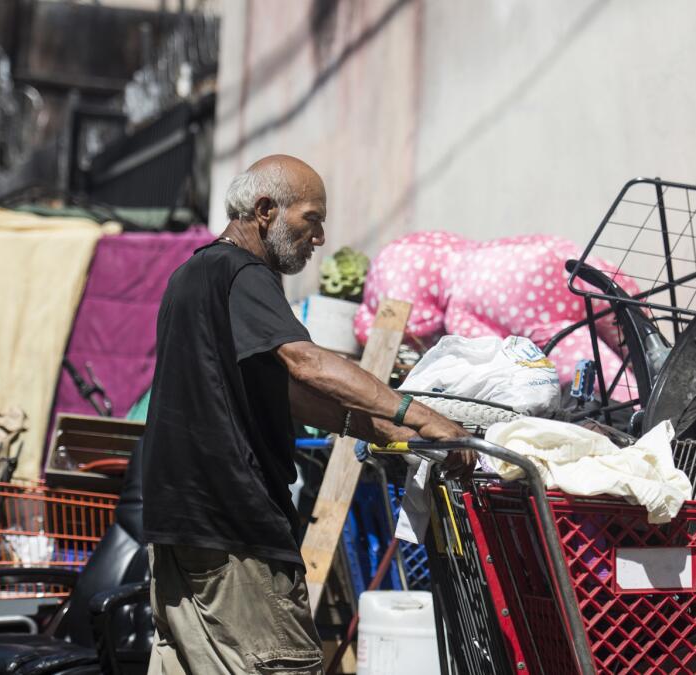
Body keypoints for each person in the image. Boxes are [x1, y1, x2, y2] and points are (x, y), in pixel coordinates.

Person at [142, 154, 470, 674]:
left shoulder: (193, 274)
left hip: (178, 529)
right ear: (266, 209)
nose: (318, 238)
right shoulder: (241, 271)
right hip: (235, 533)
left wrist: (372, 426)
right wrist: (416, 413)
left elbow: (279, 389)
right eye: (311, 219)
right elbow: (307, 362)